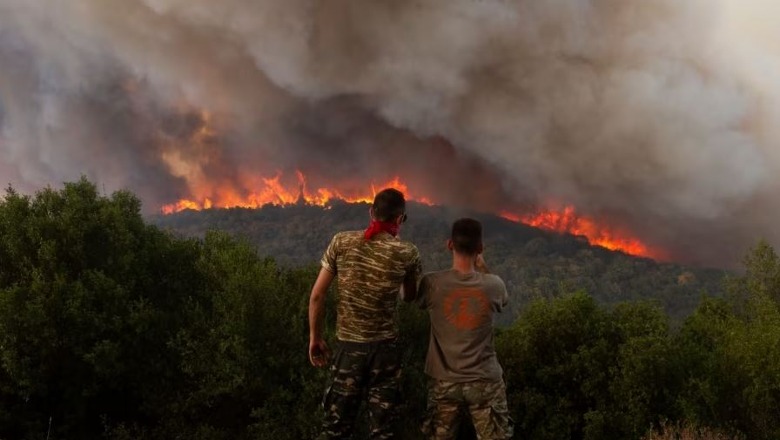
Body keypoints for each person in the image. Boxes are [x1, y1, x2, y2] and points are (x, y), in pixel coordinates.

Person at [308, 188, 422, 439]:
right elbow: (409, 297)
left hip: (348, 350)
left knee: (335, 429)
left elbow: (317, 295)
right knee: (383, 432)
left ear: (371, 212)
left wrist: (315, 338)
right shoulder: (407, 253)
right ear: (400, 219)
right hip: (385, 353)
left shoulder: (341, 242)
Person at [418, 218, 514, 440]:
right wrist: (482, 265)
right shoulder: (493, 285)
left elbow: (409, 297)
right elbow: (503, 301)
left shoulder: (432, 284)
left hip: (444, 383)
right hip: (485, 381)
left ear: (449, 244)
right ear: (480, 248)